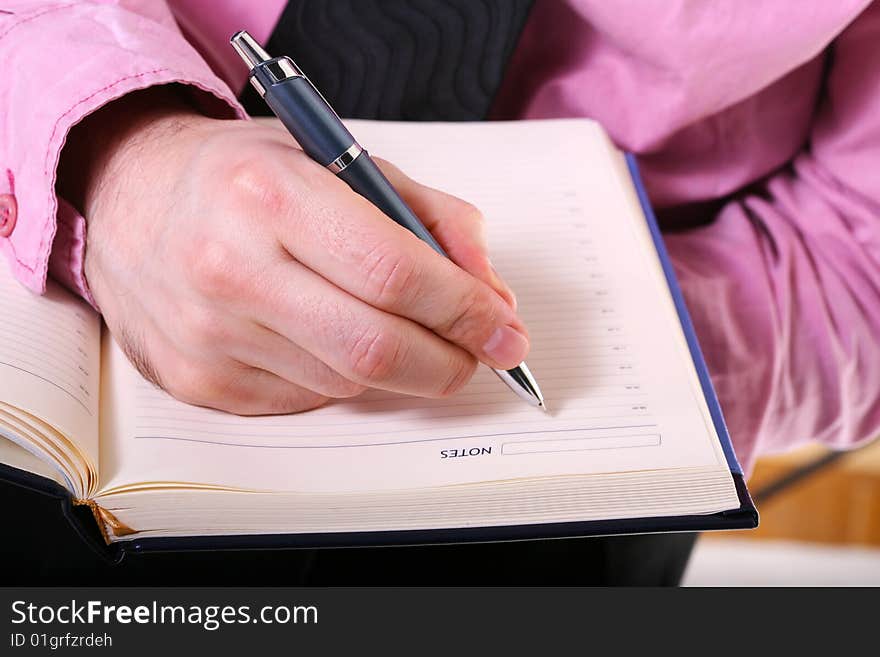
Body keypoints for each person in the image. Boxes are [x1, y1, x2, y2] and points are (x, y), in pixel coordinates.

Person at [1, 0, 878, 585]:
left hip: (582, 506)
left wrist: (637, 353)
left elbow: (862, 258)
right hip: (71, 359)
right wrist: (117, 155)